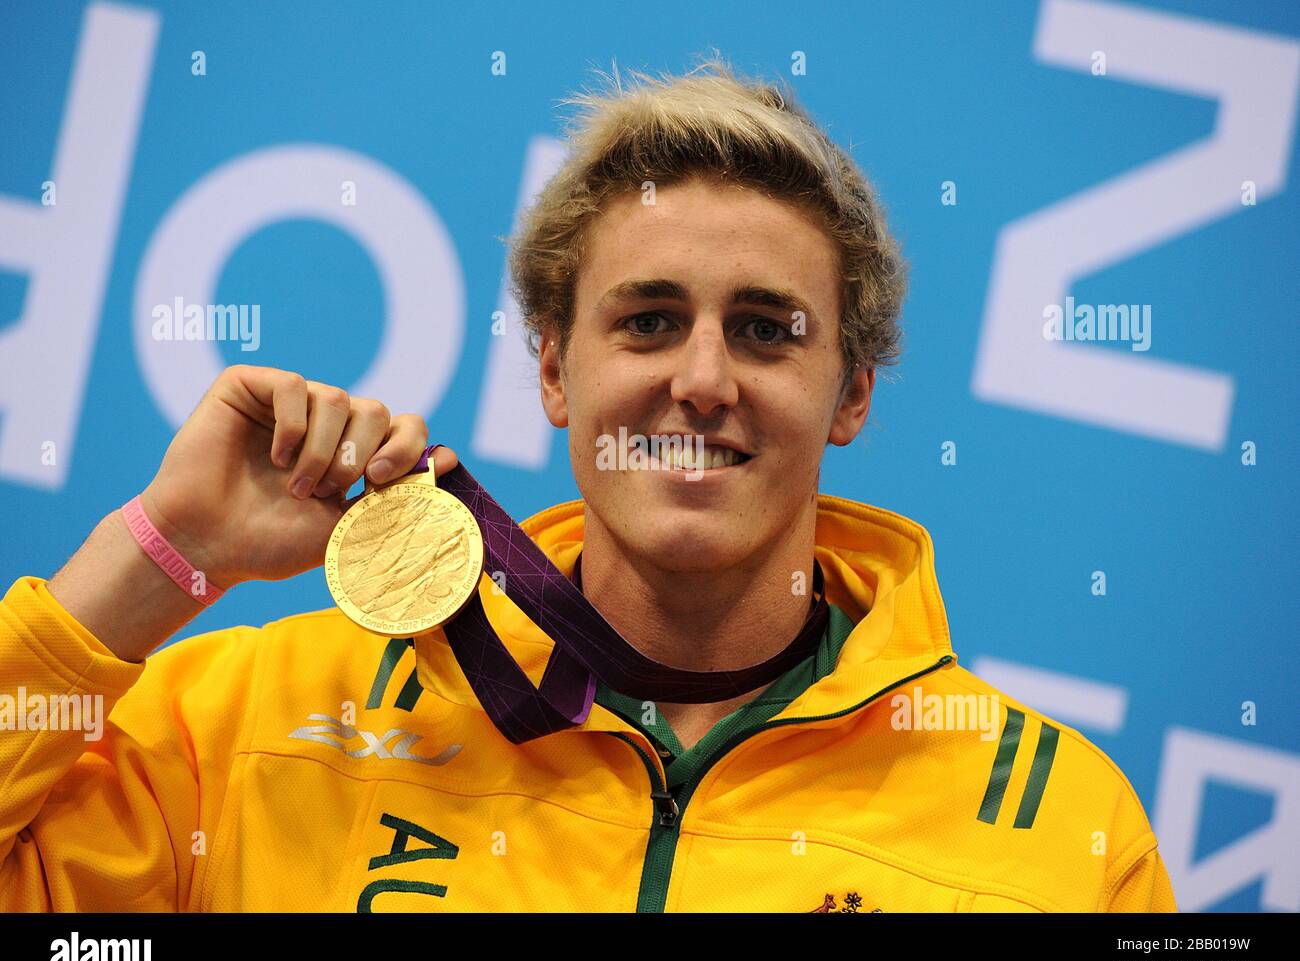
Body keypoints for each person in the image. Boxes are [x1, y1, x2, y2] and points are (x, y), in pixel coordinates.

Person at [0, 58, 1176, 912]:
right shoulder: (253, 724)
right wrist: (157, 558)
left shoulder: (1057, 830)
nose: (703, 380)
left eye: (766, 331)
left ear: (852, 392)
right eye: (650, 321)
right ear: (556, 368)